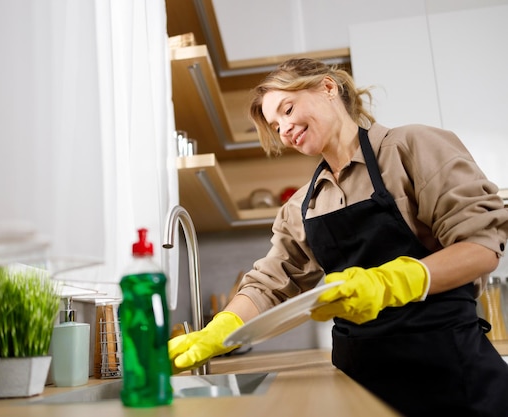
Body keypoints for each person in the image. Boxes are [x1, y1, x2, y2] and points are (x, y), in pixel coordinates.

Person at [168, 57, 508, 416]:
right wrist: (223, 328)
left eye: (287, 109)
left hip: (448, 372)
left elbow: (481, 247)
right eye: (275, 124)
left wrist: (389, 282)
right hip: (358, 383)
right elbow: (268, 285)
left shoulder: (410, 148)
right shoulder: (302, 205)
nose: (284, 129)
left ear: (328, 87)